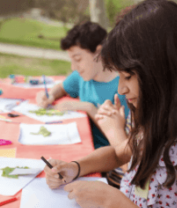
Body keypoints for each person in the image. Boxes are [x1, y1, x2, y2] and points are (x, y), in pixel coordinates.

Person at [44, 1, 177, 208]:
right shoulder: (159, 119)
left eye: (128, 76)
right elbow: (119, 153)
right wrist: (75, 167)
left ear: (164, 72)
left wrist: (110, 199)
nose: (120, 88)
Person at [35, 21, 129, 151]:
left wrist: (89, 108)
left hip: (108, 157)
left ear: (98, 52)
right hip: (82, 144)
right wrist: (50, 95)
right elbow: (62, 87)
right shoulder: (83, 75)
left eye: (78, 59)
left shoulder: (123, 89)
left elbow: (123, 142)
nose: (74, 67)